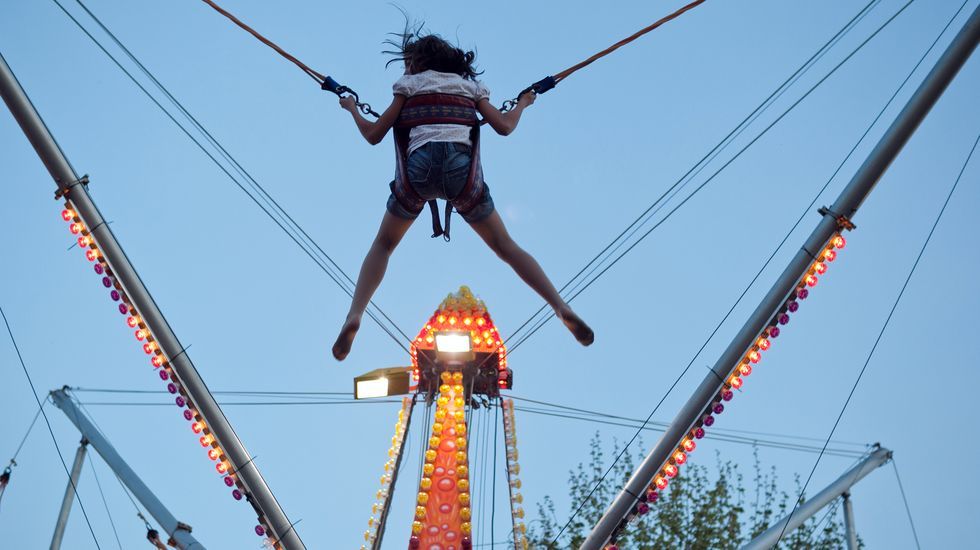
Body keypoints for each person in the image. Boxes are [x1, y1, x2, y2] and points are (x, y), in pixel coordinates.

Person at [332, 25, 593, 360]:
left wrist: (352, 108)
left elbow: (373, 134)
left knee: (384, 244)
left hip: (417, 173)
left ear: (416, 63)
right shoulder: (471, 88)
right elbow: (504, 127)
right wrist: (524, 103)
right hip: (462, 176)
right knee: (505, 246)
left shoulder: (409, 86)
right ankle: (559, 306)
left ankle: (356, 313)